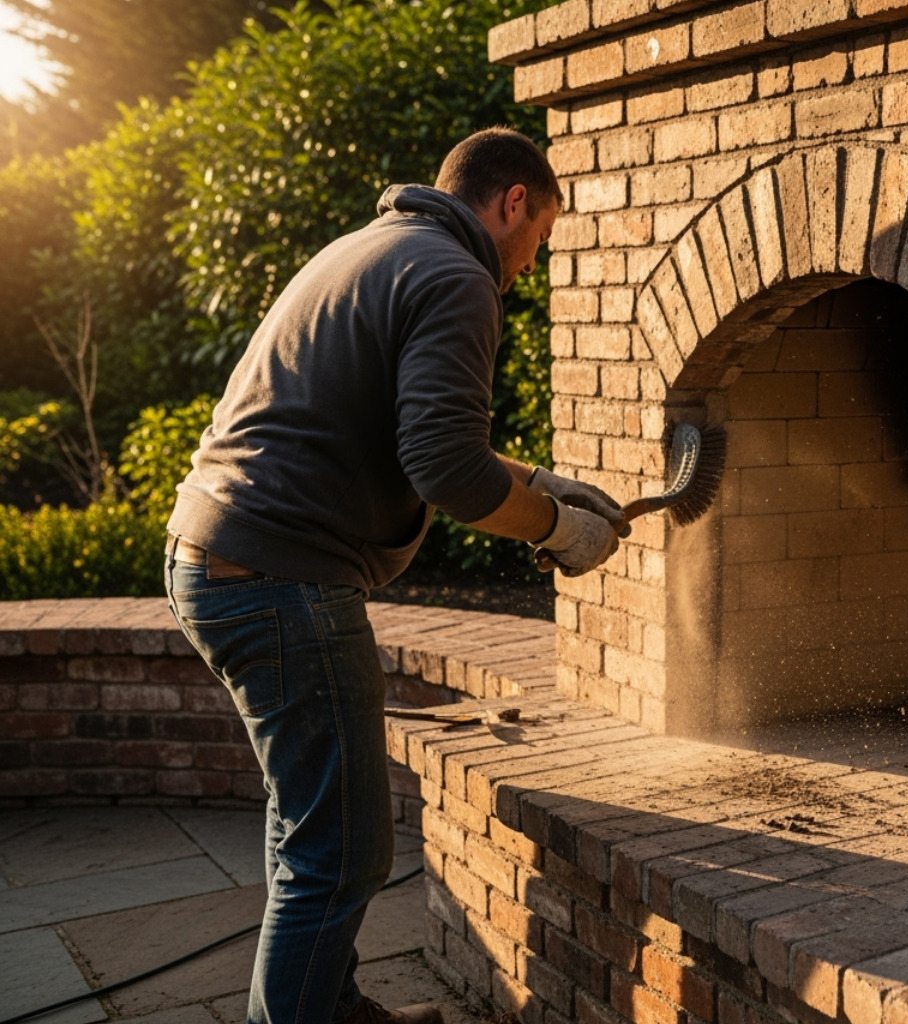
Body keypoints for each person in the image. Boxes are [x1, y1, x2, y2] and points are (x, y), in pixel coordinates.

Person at [163, 128, 626, 1024]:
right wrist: (561, 530)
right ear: (513, 203)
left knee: (312, 825)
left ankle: (328, 1006)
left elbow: (411, 429)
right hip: (277, 578)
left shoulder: (375, 247)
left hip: (220, 555)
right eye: (541, 240)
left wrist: (541, 481)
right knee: (341, 850)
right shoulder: (458, 276)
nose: (533, 265)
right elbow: (445, 469)